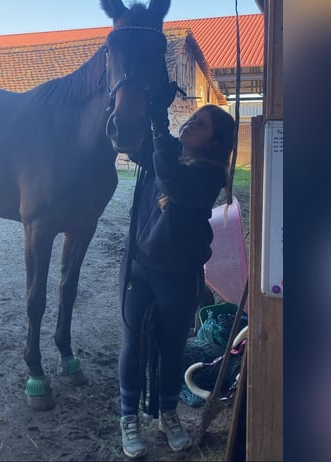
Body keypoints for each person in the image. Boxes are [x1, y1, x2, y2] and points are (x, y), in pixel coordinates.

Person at [118, 101, 235, 458]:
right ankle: (128, 417)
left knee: (171, 348)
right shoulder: (161, 155)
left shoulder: (208, 176)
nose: (190, 124)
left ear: (213, 143)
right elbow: (123, 138)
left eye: (200, 125)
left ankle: (167, 413)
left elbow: (176, 183)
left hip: (179, 275)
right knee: (132, 344)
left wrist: (159, 133)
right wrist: (141, 102)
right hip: (140, 268)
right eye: (192, 119)